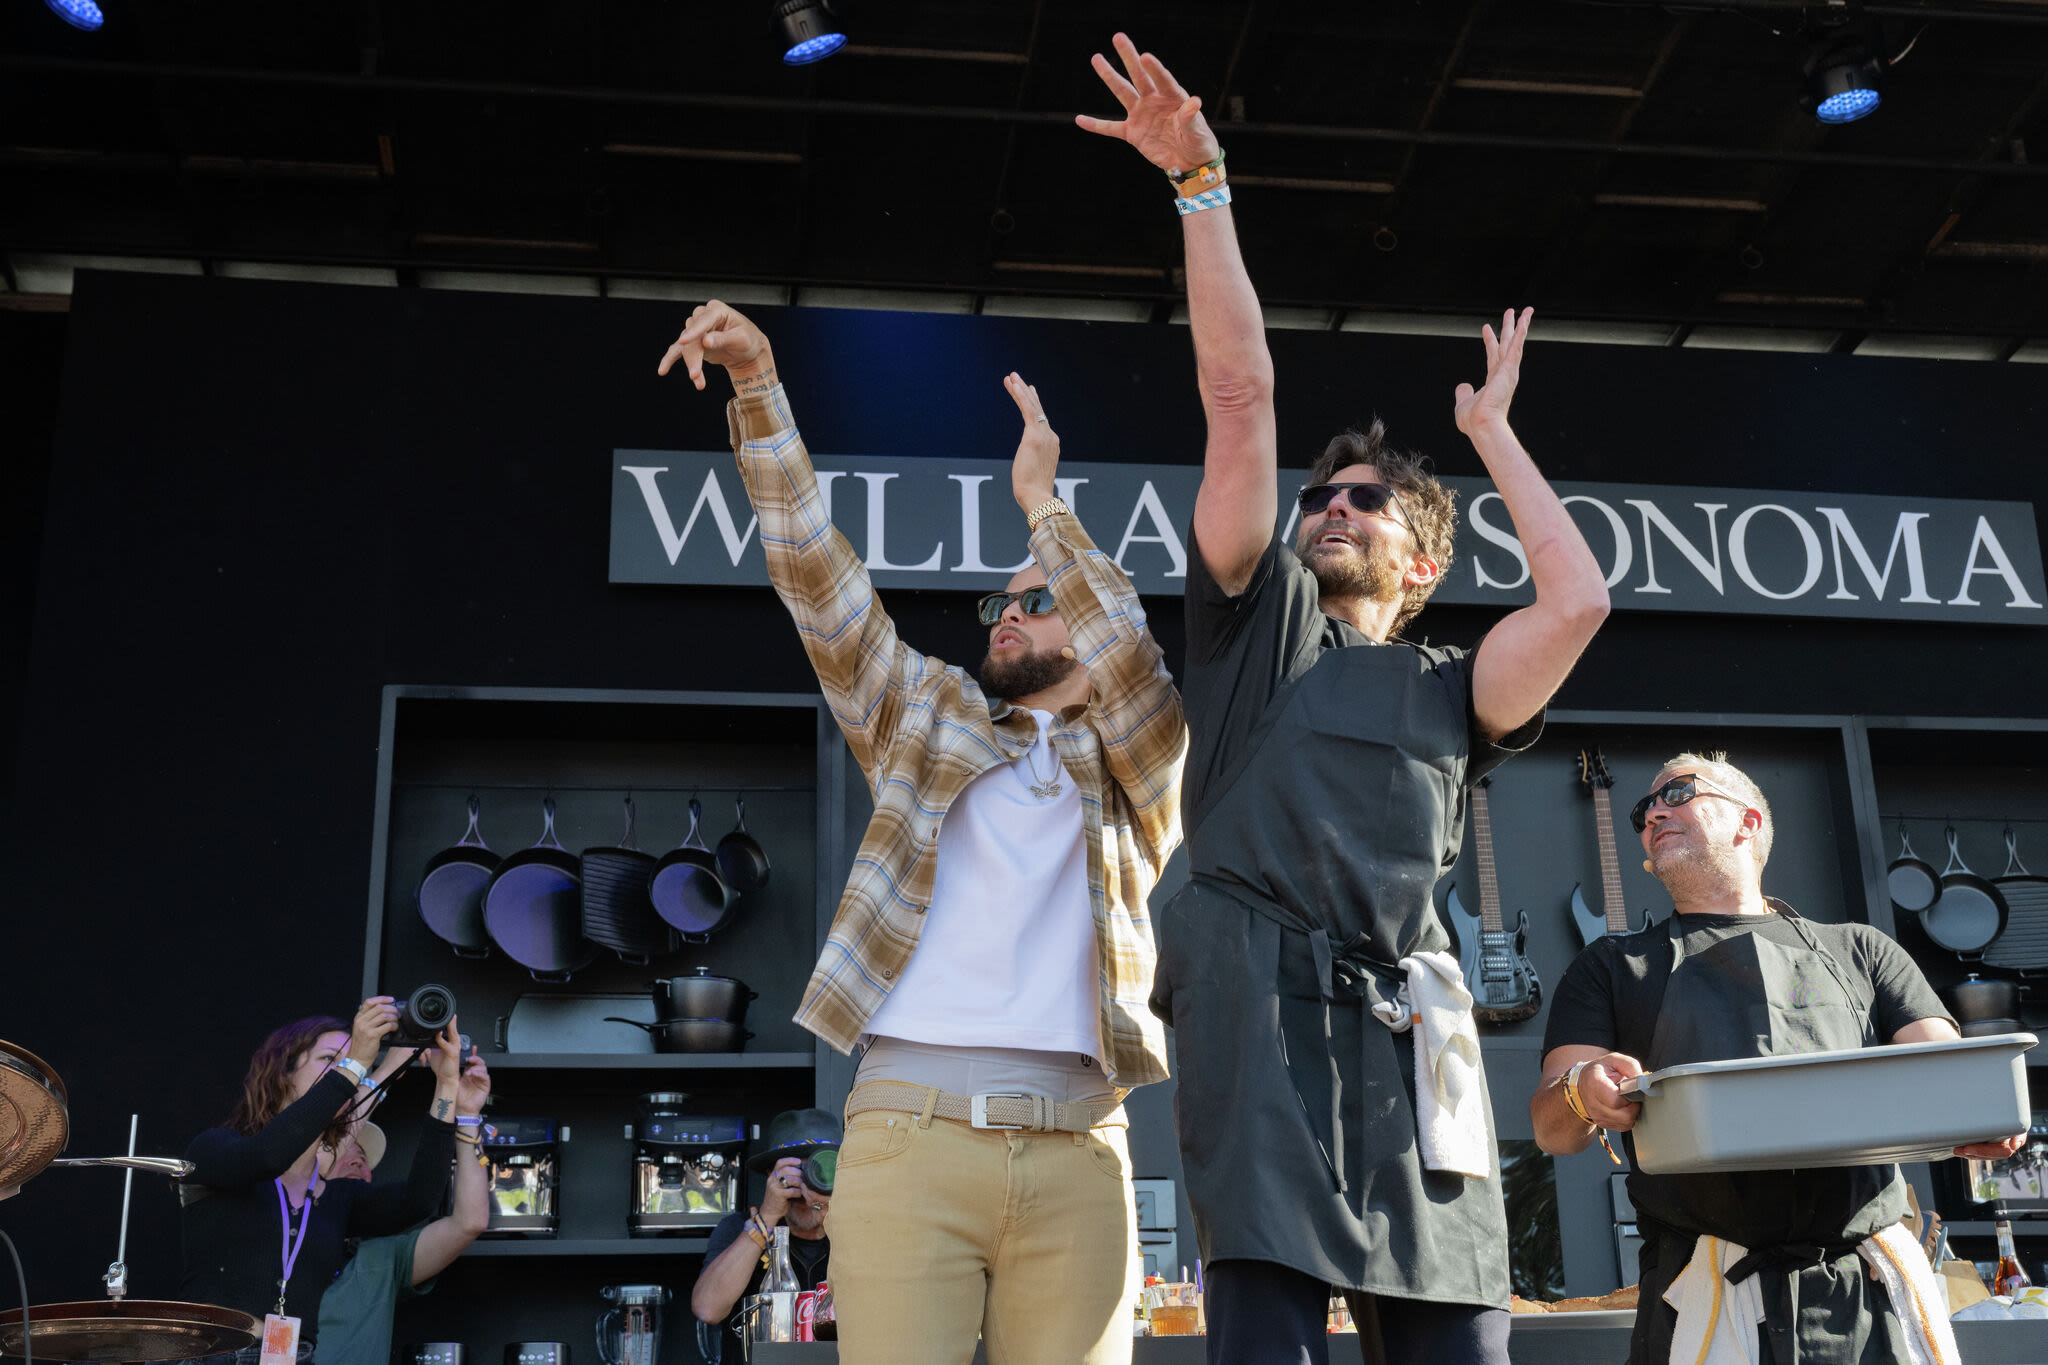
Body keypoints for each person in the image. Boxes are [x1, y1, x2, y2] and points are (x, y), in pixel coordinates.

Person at [1078, 33, 1611, 1365]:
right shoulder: (1259, 622)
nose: (1330, 504)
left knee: (1456, 1344)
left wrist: (1494, 439)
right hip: (1256, 1006)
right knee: (1267, 1345)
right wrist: (1203, 186)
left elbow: (1578, 603)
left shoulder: (1453, 684)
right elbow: (1241, 390)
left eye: (1364, 499)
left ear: (1424, 557)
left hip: (1410, 1025)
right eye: (1325, 493)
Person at [659, 302, 1186, 1365]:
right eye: (1001, 599)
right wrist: (759, 384)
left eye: (1036, 602)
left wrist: (1044, 511)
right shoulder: (930, 709)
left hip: (1080, 1141)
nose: (1006, 609)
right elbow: (815, 576)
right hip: (908, 1125)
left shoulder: (1140, 761)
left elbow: (1126, 651)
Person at [1534, 753, 2027, 1365]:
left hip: (1869, 1291)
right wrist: (1583, 1088)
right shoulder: (1611, 967)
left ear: (1748, 822)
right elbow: (1551, 1128)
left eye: (1677, 793)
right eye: (1643, 810)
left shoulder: (1863, 950)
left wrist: (1978, 1117)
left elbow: (1946, 1077)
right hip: (1705, 1293)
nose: (1653, 812)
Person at [178, 998, 462, 1365]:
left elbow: (419, 1200)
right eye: (329, 1060)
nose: (347, 1072)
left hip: (297, 1356)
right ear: (283, 1073)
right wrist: (357, 1061)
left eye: (349, 1064)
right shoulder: (214, 1150)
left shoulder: (334, 1196)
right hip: (216, 1353)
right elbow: (269, 1156)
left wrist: (447, 1084)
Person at [314, 1043, 493, 1365]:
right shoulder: (269, 1231)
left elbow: (470, 1221)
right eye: (347, 1151)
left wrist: (467, 1116)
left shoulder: (380, 1257)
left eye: (365, 1159)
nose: (358, 1162)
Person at [691, 1108, 840, 1353]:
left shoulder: (861, 1231)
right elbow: (708, 1309)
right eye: (795, 1172)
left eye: (819, 1169)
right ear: (771, 1174)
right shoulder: (737, 1229)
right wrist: (767, 1217)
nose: (805, 1184)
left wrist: (832, 1215)